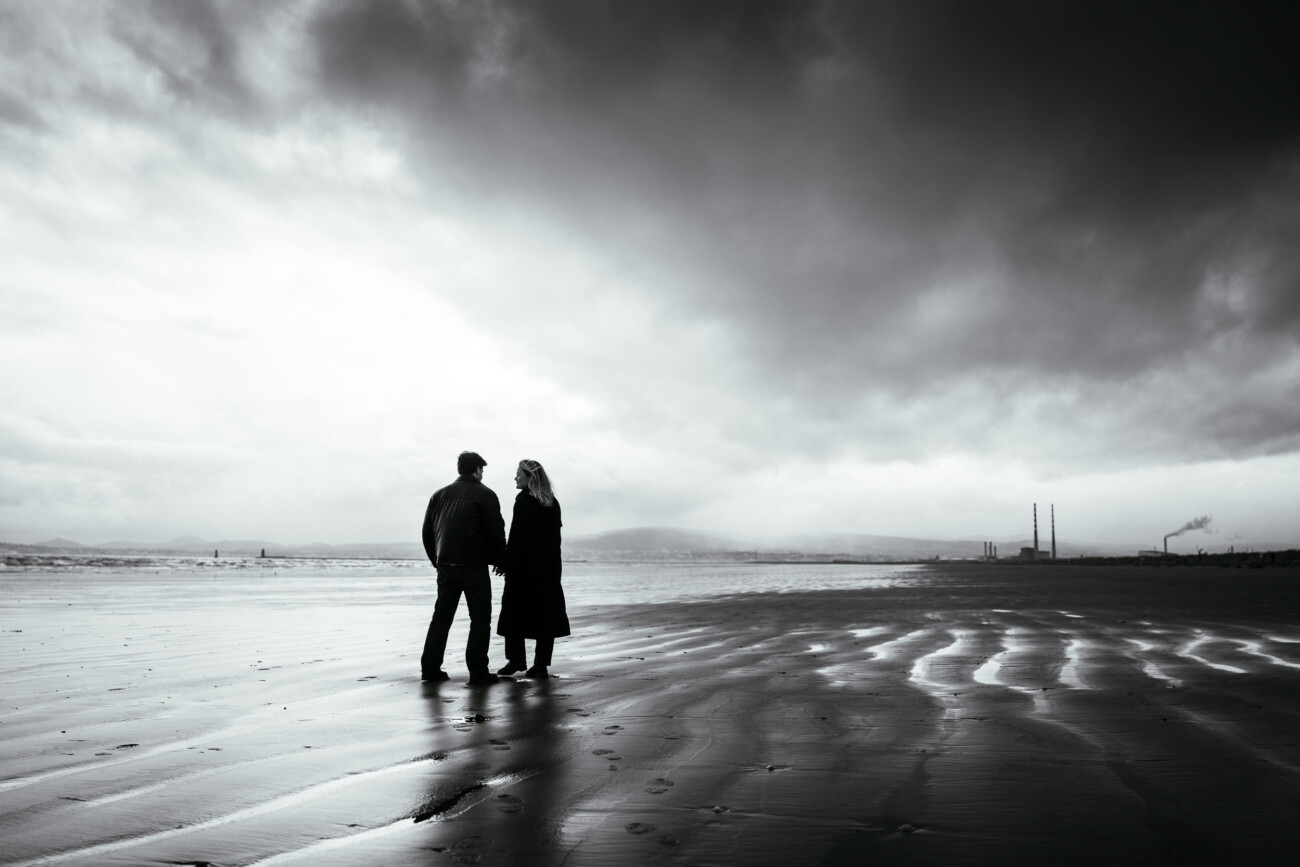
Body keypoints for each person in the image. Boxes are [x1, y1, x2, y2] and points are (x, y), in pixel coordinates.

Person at [420, 451, 507, 685]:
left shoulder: (438, 495)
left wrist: (436, 560)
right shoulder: (485, 494)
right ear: (477, 470)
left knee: (441, 618)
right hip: (474, 566)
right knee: (479, 619)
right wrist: (500, 560)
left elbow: (427, 532)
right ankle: (478, 671)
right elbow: (496, 531)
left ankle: (430, 669)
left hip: (446, 566)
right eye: (482, 470)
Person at [495, 459, 570, 678]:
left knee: (513, 612)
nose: (516, 477)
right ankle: (540, 665)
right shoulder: (551, 502)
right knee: (545, 616)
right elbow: (554, 540)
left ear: (530, 477)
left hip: (524, 569)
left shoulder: (525, 501)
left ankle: (516, 660)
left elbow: (518, 537)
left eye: (519, 474)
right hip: (548, 569)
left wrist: (506, 563)